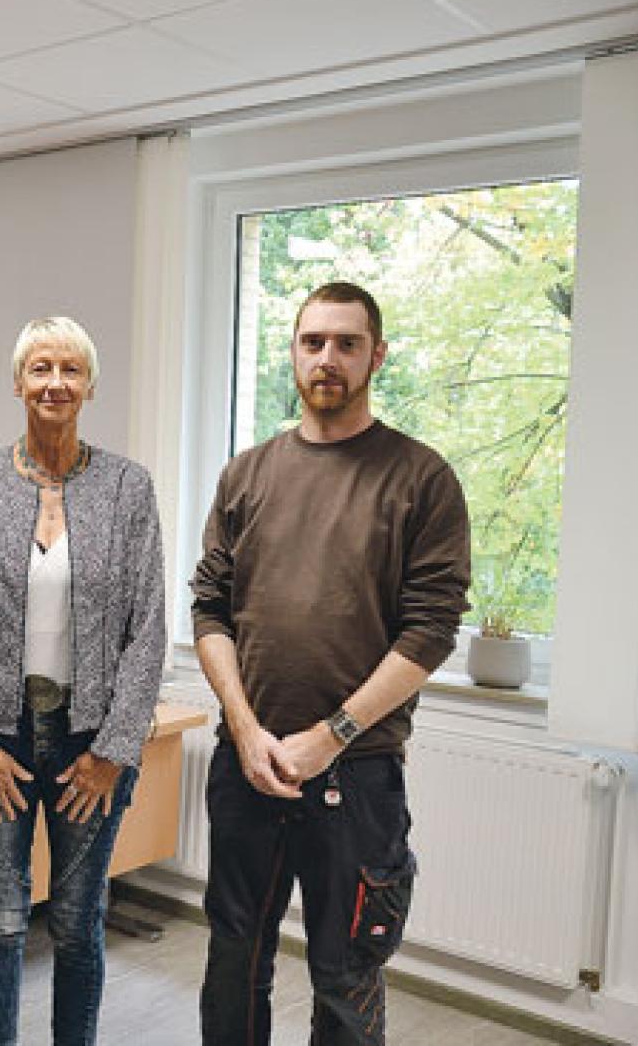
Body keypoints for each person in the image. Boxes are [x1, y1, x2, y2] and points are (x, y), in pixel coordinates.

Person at [191, 281, 471, 1044]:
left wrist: (330, 735)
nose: (328, 358)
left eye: (347, 343)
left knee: (346, 976)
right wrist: (245, 729)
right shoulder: (246, 475)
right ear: (293, 352)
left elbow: (430, 631)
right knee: (233, 962)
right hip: (248, 766)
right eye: (313, 341)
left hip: (357, 775)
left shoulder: (421, 478)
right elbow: (210, 609)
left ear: (376, 355)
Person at [0, 316, 166, 1045]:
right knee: (2, 918)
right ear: (17, 383)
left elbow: (147, 629)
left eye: (70, 369)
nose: (55, 383)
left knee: (76, 920)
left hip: (88, 742)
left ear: (90, 385)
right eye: (40, 368)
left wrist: (113, 751)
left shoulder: (127, 487)